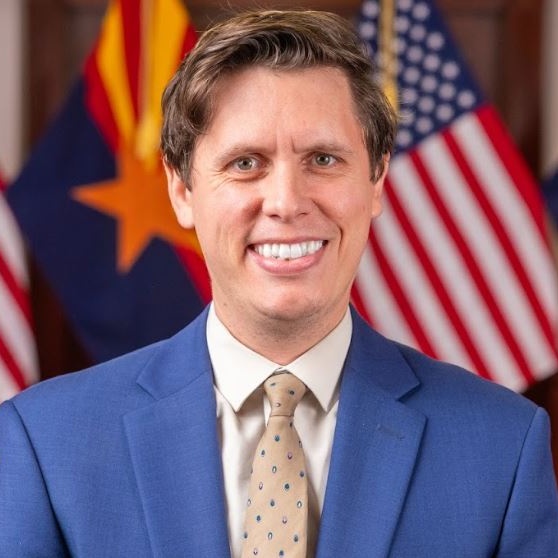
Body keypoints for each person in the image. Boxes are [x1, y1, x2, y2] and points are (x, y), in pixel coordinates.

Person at [1, 9, 557, 558]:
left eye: (323, 158)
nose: (287, 203)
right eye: (246, 163)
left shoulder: (503, 447)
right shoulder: (46, 442)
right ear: (182, 190)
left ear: (376, 180)